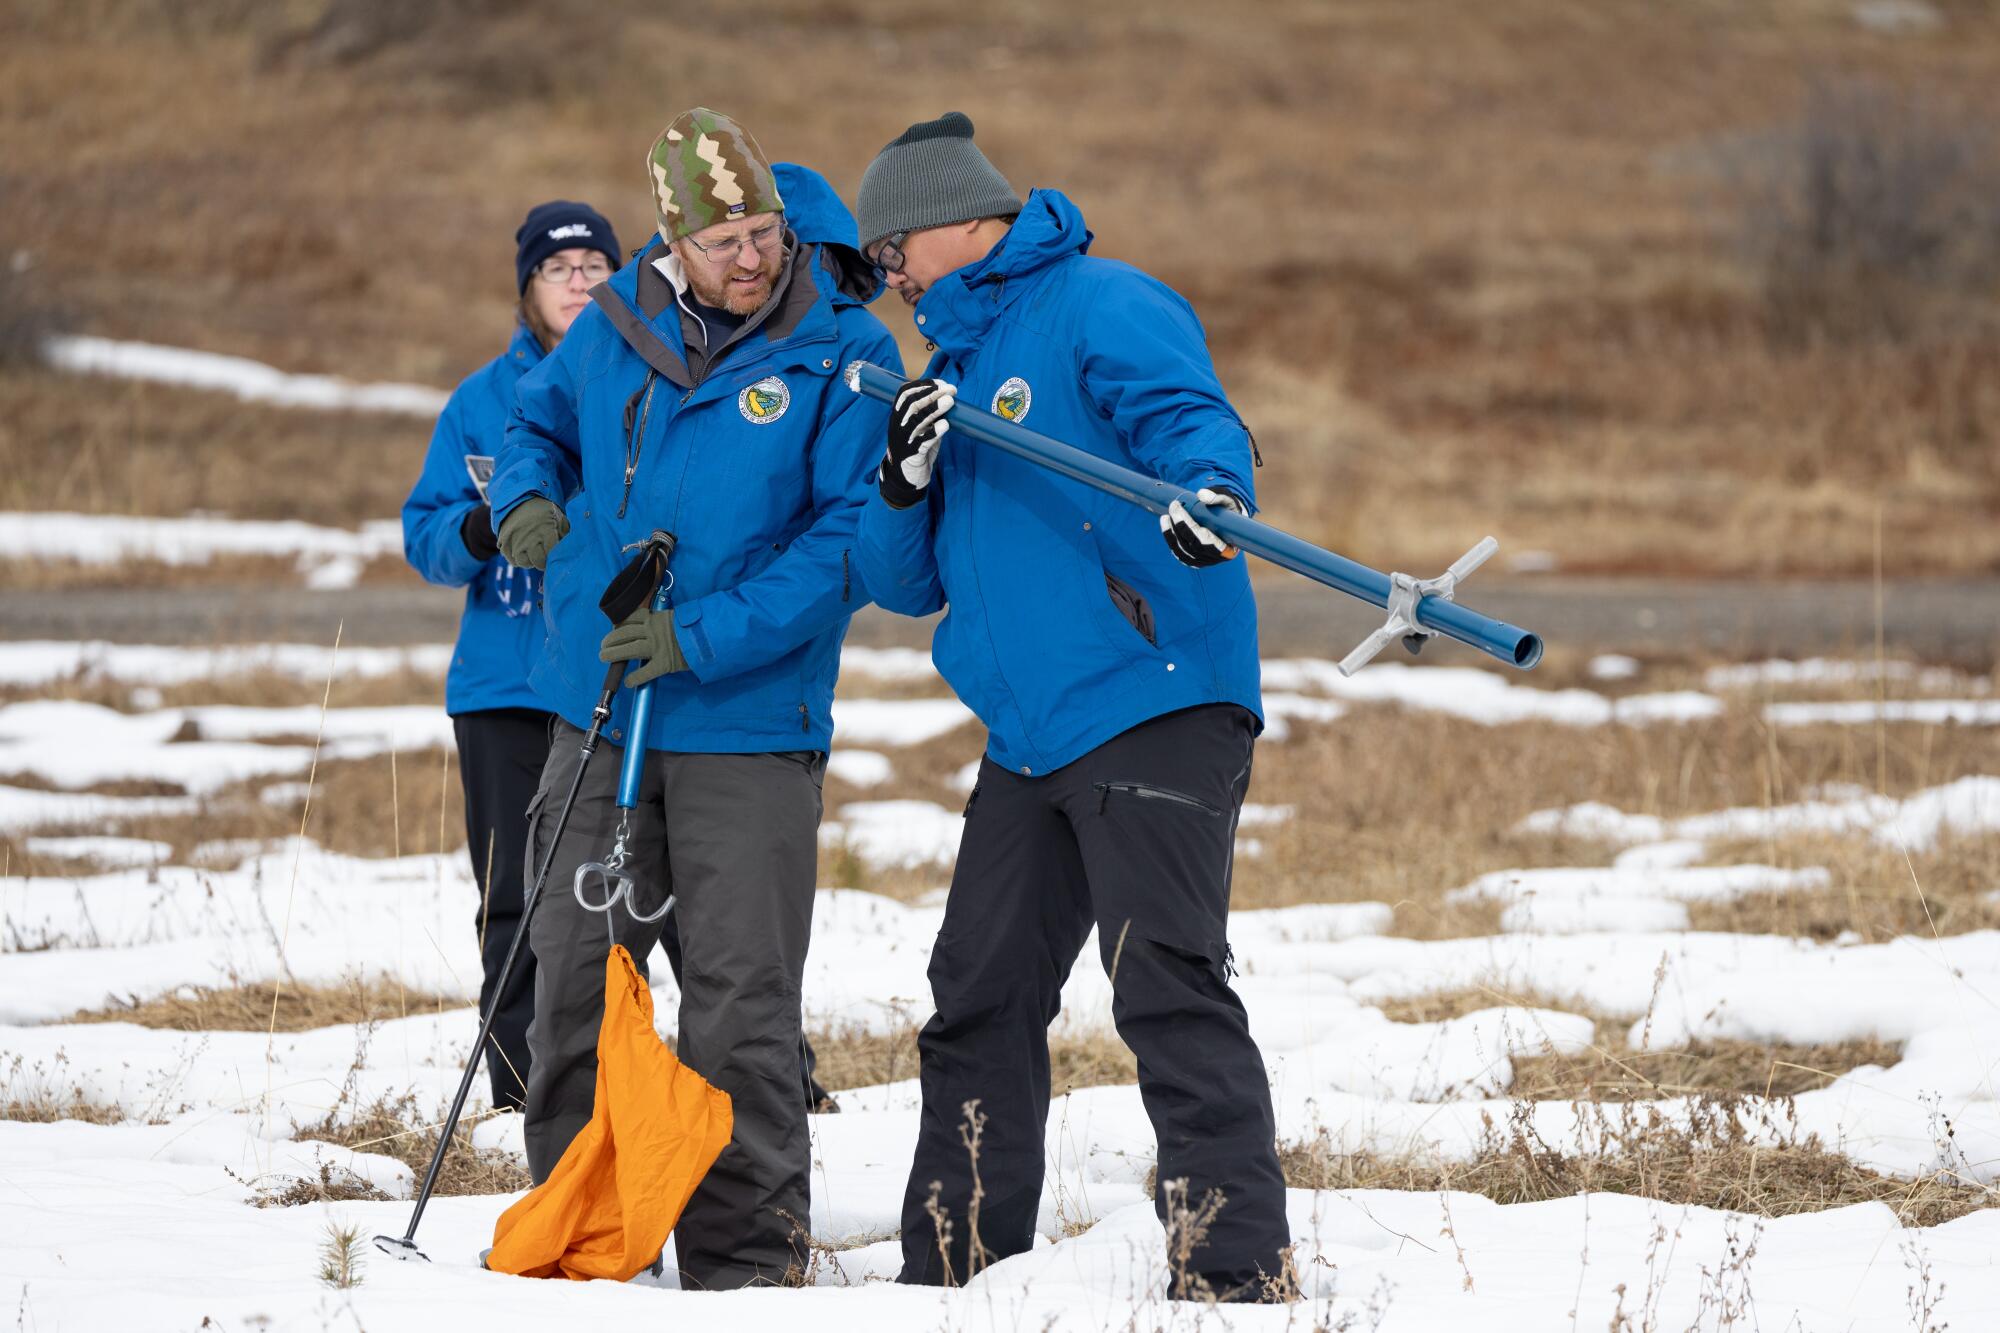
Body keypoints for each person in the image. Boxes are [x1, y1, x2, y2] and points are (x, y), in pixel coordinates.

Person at [852, 112, 1292, 1300]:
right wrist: (900, 481)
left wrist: (1211, 492)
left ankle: (1232, 1277)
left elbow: (1192, 421)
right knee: (977, 994)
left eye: (890, 251)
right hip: (1027, 732)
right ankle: (953, 1272)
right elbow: (902, 584)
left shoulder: (1100, 302)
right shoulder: (940, 374)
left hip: (1148, 692)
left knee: (1162, 981)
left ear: (954, 221)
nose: (885, 277)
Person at [488, 108, 899, 1289]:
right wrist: (527, 497)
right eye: (723, 242)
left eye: (765, 233)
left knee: (738, 1002)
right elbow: (534, 420)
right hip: (600, 702)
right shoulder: (615, 323)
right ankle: (581, 1228)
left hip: (746, 723)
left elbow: (846, 544)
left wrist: (700, 637)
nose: (751, 260)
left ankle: (744, 1262)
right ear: (673, 241)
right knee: (569, 974)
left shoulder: (843, 352)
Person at [401, 200, 622, 1110]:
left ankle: (658, 1071)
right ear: (527, 288)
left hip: (607, 675)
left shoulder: (642, 379)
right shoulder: (479, 403)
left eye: (596, 267)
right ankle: (518, 1087)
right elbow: (425, 537)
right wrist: (482, 526)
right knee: (512, 894)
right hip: (502, 687)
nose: (578, 282)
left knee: (636, 883)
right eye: (558, 269)